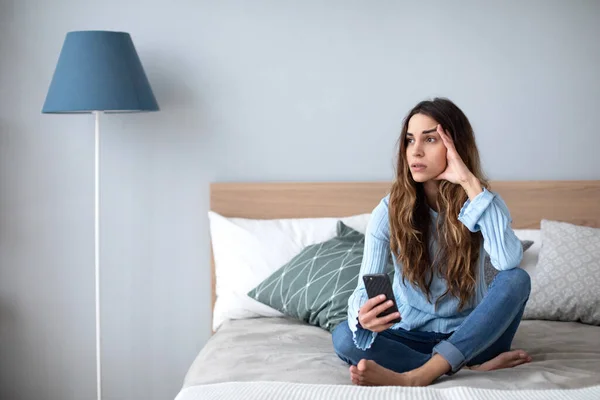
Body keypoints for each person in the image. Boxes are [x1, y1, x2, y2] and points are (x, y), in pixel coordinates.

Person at [332, 97, 532, 386]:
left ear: (455, 147)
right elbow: (366, 284)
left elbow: (507, 261)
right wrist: (364, 317)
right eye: (410, 140)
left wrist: (468, 181)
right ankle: (459, 371)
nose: (416, 151)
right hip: (410, 337)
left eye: (430, 139)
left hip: (473, 338)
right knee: (344, 336)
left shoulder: (482, 202)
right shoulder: (388, 211)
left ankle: (417, 376)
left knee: (516, 279)